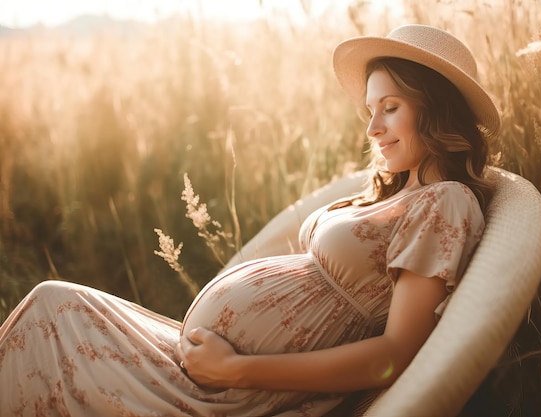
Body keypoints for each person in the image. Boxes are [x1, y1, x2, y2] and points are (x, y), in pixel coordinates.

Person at [0, 24, 499, 416]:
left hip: (234, 393)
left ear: (436, 110)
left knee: (52, 313)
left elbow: (393, 356)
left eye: (389, 108)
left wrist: (237, 369)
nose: (371, 128)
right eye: (369, 110)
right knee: (55, 305)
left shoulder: (444, 204)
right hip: (205, 367)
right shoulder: (396, 191)